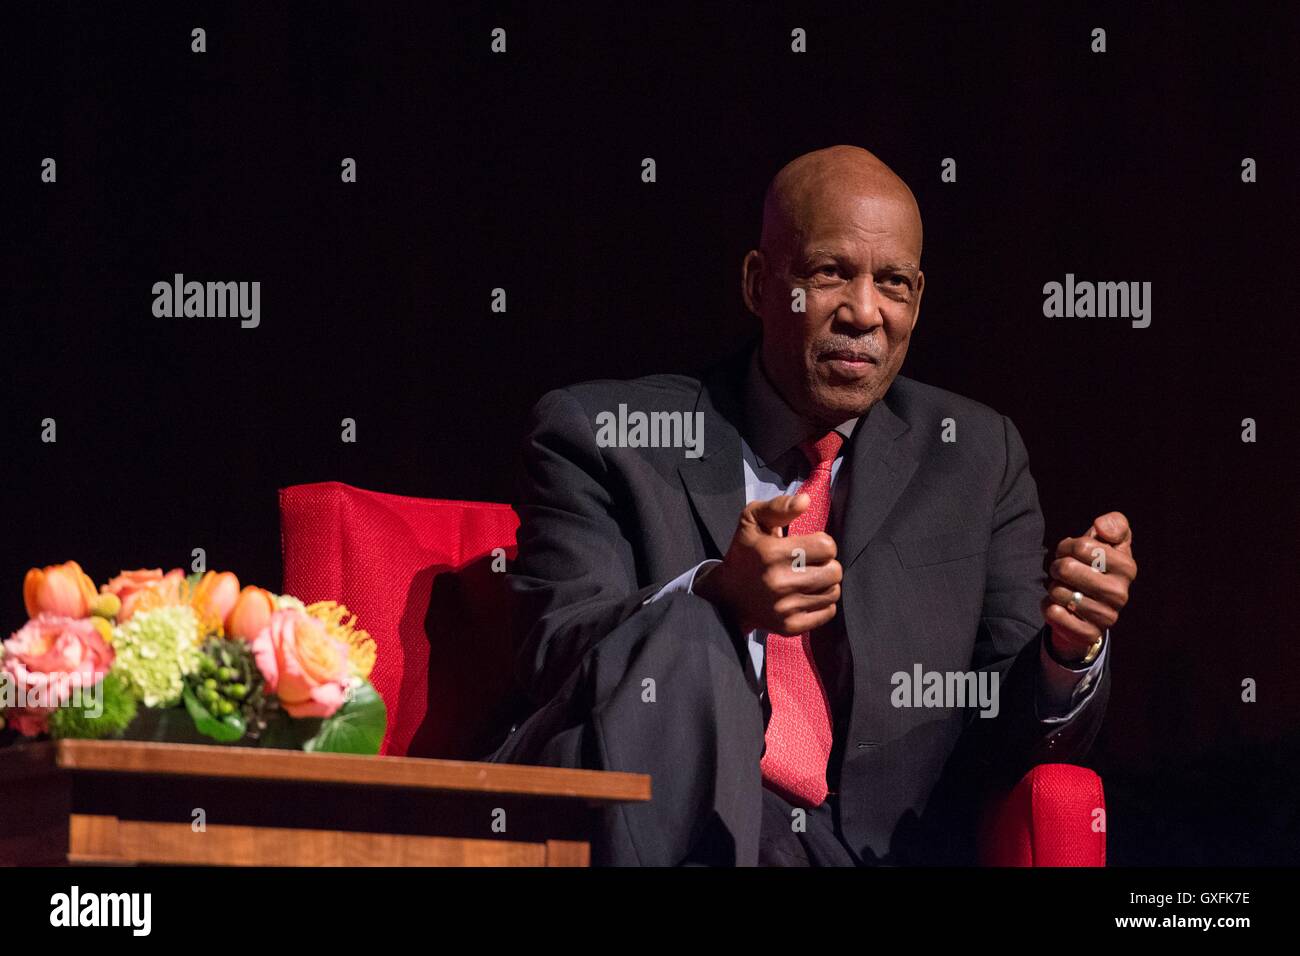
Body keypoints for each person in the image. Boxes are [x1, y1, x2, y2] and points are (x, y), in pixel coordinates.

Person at [490, 144, 1137, 866]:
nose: (864, 313)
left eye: (892, 283)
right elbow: (553, 654)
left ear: (917, 302)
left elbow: (1008, 730)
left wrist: (1067, 651)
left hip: (870, 849)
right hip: (673, 819)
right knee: (694, 638)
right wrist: (716, 596)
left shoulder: (977, 457)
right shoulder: (608, 436)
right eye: (831, 273)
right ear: (759, 283)